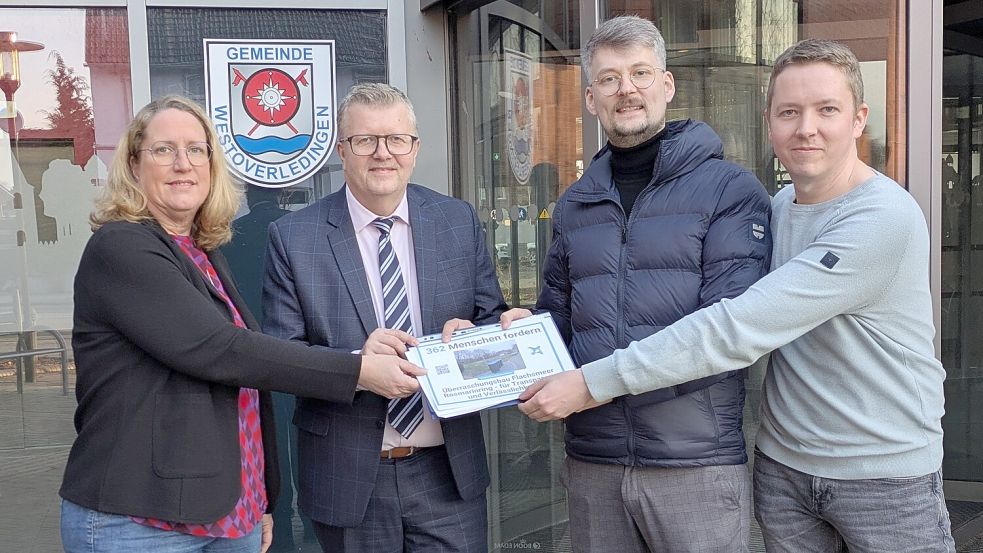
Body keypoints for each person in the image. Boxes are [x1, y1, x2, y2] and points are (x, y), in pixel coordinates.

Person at [516, 39, 956, 552]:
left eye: (826, 110)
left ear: (859, 119)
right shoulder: (779, 206)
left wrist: (592, 383)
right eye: (789, 112)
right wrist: (508, 336)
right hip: (786, 468)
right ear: (770, 122)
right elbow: (574, 306)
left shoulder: (882, 218)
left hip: (883, 477)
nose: (805, 127)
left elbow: (737, 327)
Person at [59, 95, 425, 553]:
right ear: (134, 165)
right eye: (163, 150)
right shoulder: (122, 247)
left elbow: (244, 389)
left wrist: (260, 499)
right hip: (141, 522)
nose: (182, 164)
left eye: (197, 150)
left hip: (226, 513)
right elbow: (222, 350)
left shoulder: (201, 252)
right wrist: (358, 369)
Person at [503, 15, 773, 553]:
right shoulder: (577, 202)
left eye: (641, 73)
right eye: (609, 78)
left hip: (694, 462)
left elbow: (722, 336)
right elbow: (558, 319)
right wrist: (517, 334)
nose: (626, 89)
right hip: (593, 462)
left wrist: (592, 384)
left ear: (666, 85)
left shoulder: (730, 191)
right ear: (589, 97)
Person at [262, 83, 507, 553]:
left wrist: (475, 337)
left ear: (414, 148)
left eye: (396, 139)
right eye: (365, 141)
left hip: (448, 473)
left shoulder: (457, 220)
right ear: (341, 150)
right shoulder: (294, 237)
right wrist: (358, 367)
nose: (382, 154)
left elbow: (491, 319)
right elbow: (282, 359)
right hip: (349, 478)